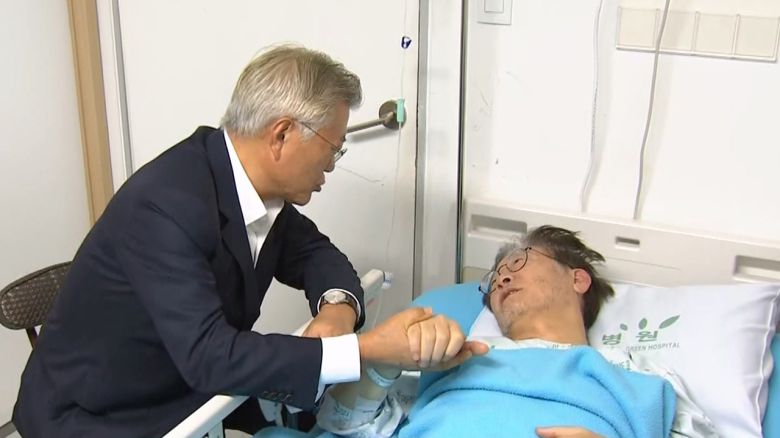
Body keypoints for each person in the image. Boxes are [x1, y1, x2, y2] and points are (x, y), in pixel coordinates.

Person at [12, 44, 480, 438]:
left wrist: (337, 311)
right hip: (95, 415)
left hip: (183, 383)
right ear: (282, 135)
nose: (332, 165)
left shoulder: (251, 189)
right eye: (332, 148)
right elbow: (210, 357)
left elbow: (316, 254)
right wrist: (369, 349)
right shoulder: (164, 205)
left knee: (312, 409)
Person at [314, 226, 719, 438]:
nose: (502, 277)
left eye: (520, 262)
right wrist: (384, 364)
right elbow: (341, 423)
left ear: (577, 279)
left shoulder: (638, 377)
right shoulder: (456, 356)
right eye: (494, 277)